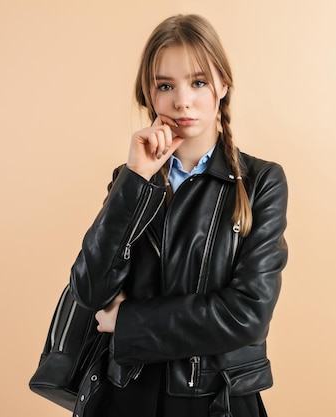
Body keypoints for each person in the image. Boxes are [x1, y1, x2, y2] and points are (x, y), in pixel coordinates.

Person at [70, 14, 288, 417]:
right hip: (126, 396)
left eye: (198, 82)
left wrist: (129, 321)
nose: (182, 101)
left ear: (223, 85)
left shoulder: (261, 182)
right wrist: (137, 178)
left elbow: (247, 314)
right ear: (149, 96)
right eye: (165, 86)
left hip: (217, 401)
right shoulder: (130, 179)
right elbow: (90, 292)